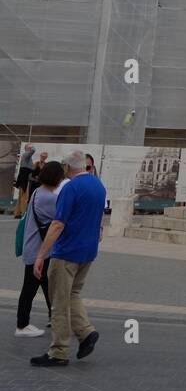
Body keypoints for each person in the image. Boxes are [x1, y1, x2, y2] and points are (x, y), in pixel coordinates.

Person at [30, 150, 107, 368]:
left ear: (67, 167)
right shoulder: (98, 186)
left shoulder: (71, 188)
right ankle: (86, 332)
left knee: (59, 302)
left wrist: (41, 254)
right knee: (73, 293)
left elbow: (58, 224)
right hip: (88, 250)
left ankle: (59, 351)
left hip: (67, 252)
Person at [16, 160, 65, 337]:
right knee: (29, 288)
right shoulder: (50, 198)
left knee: (47, 284)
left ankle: (55, 317)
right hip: (39, 251)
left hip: (35, 247)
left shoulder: (38, 191)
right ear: (57, 178)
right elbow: (61, 221)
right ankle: (22, 325)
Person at [13, 144, 35, 218]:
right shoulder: (26, 155)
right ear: (27, 149)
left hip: (23, 178)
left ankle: (17, 213)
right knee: (24, 197)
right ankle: (23, 213)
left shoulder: (26, 157)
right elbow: (33, 150)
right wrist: (31, 147)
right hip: (24, 179)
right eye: (29, 147)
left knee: (21, 196)